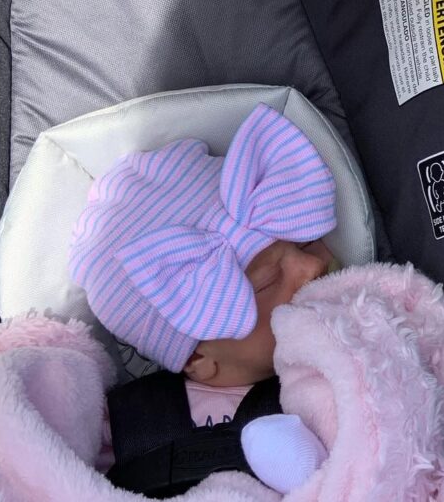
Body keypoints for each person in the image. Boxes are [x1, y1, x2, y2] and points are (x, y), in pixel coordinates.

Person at [68, 103, 337, 494]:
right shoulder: (119, 425)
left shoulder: (337, 371)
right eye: (268, 282)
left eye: (305, 241)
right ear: (197, 359)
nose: (310, 267)